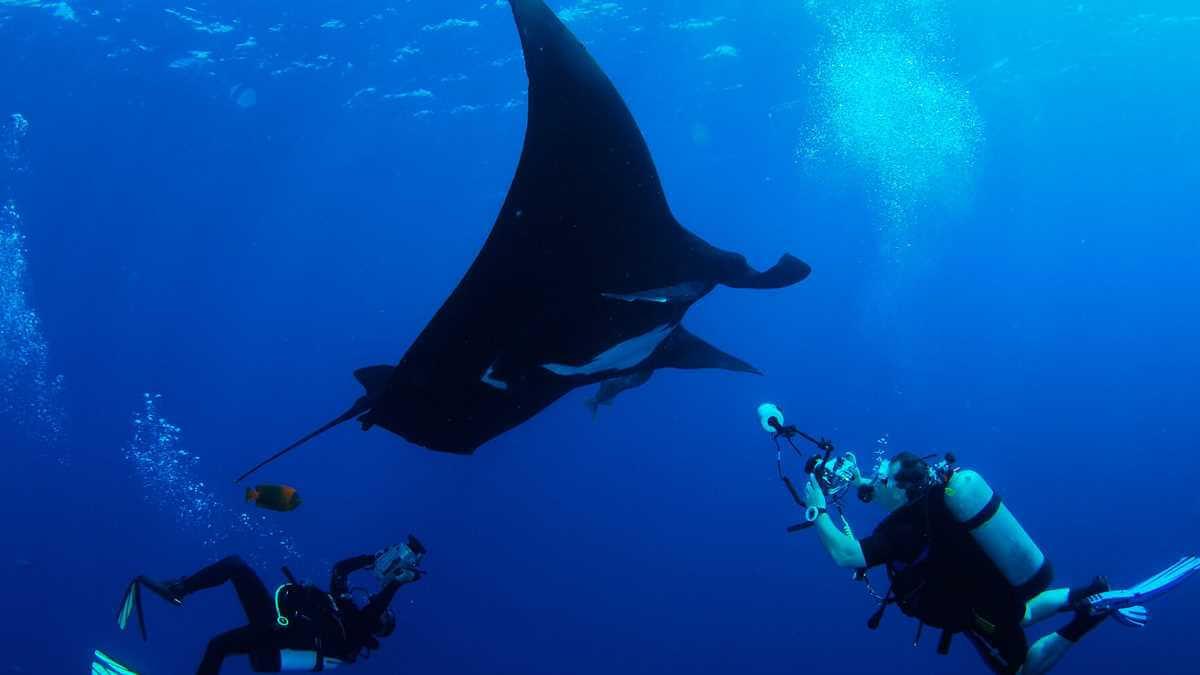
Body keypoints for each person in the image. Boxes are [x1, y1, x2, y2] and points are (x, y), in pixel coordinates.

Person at [801, 451, 1198, 675]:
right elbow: (880, 495)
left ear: (905, 489)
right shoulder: (933, 505)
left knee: (1018, 670)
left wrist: (816, 509)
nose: (874, 481)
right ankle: (1090, 591)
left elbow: (845, 555)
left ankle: (1089, 615)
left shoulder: (903, 526)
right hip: (995, 590)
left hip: (977, 608)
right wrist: (852, 481)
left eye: (883, 478)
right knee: (1019, 612)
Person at [118, 536, 426, 674]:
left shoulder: (356, 634)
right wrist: (376, 559)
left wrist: (397, 583)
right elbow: (340, 570)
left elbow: (373, 613)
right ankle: (179, 590)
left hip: (283, 632)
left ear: (381, 626)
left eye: (385, 616)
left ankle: (180, 590)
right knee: (218, 641)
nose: (378, 609)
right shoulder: (343, 607)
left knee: (219, 637)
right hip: (276, 624)